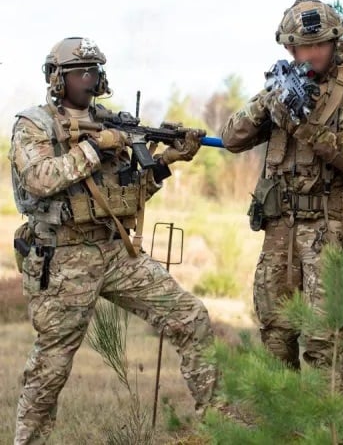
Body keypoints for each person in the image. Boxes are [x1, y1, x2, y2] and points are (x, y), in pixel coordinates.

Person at [10, 37, 217, 444]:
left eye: (94, 71)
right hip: (63, 257)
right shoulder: (34, 124)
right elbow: (38, 179)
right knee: (51, 367)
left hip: (115, 251)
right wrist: (91, 148)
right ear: (57, 78)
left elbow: (127, 194)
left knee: (192, 317)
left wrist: (164, 162)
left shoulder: (110, 122)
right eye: (80, 72)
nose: (89, 79)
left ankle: (222, 423)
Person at [221, 0, 343, 391]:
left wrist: (303, 126)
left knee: (323, 341)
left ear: (334, 43)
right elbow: (231, 138)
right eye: (299, 48)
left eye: (316, 47)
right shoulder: (282, 90)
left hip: (331, 233)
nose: (308, 56)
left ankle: (330, 430)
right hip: (281, 232)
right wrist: (268, 103)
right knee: (275, 334)